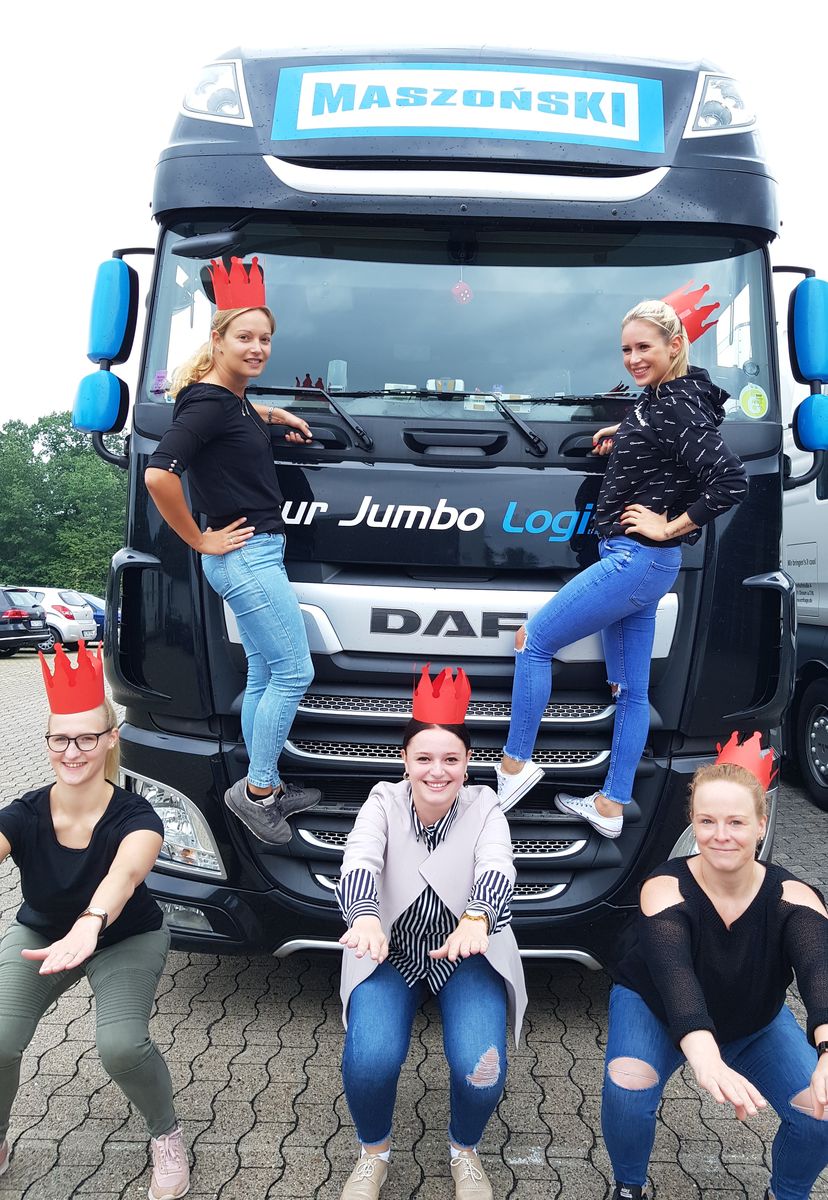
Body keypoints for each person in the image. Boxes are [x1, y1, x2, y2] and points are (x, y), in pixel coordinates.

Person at [496, 298, 749, 837]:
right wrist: (627, 434)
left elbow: (730, 480)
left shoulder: (676, 406)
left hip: (637, 557)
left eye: (644, 348)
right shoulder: (659, 402)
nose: (633, 359)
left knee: (533, 641)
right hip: (645, 566)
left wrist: (669, 525)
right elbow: (666, 439)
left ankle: (514, 766)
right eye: (626, 349)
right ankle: (612, 804)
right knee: (631, 691)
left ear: (674, 346)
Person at [602, 732, 828, 1200]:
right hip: (657, 1009)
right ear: (692, 821)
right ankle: (628, 1188)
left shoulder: (795, 897)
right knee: (628, 1085)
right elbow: (675, 978)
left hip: (753, 1021)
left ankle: (788, 1194)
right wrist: (705, 1057)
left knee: (821, 1112)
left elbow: (818, 973)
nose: (720, 835)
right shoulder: (663, 887)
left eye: (736, 822)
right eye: (707, 821)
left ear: (762, 824)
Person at [0, 643, 189, 1200]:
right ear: (47, 743)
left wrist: (90, 922)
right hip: (42, 936)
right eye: (60, 739)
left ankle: (166, 1135)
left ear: (110, 739)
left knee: (121, 1046)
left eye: (86, 738)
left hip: (125, 936)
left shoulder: (137, 815)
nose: (72, 751)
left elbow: (126, 874)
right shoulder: (24, 812)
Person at [145, 256, 319, 846]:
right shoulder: (210, 403)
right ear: (216, 339)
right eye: (244, 337)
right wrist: (198, 538)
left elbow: (235, 420)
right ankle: (260, 792)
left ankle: (259, 779)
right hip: (244, 557)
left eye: (265, 339)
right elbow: (159, 474)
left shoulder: (233, 400)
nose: (257, 348)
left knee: (265, 670)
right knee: (295, 671)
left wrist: (271, 413)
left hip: (251, 556)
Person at [335, 666, 527, 1200]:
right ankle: (373, 1154)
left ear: (467, 762)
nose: (437, 771)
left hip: (466, 954)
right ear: (405, 761)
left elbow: (497, 863)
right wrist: (365, 917)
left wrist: (477, 917)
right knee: (370, 1059)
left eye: (450, 759)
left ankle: (465, 1151)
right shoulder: (383, 800)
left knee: (481, 1067)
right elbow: (360, 857)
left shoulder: (485, 804)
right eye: (423, 758)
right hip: (390, 951)